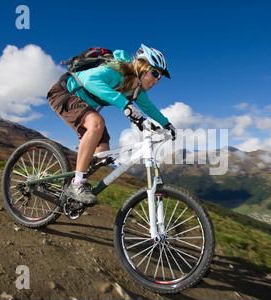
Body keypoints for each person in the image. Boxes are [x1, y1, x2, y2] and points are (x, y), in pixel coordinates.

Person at [47, 44, 176, 205]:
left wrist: (166, 124)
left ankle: (75, 182)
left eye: (160, 77)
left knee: (103, 153)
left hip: (83, 106)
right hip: (64, 93)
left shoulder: (137, 90)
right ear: (142, 66)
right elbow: (89, 80)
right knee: (96, 123)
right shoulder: (116, 69)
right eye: (155, 73)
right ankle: (77, 183)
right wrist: (125, 105)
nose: (157, 80)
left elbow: (149, 108)